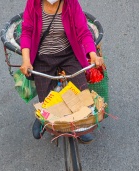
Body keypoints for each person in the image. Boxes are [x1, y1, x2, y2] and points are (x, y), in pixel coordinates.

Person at [20, 0, 104, 143]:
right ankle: (42, 118)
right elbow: (27, 32)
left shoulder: (71, 3)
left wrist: (93, 54)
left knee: (82, 94)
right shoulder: (33, 3)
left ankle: (80, 124)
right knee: (47, 101)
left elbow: (83, 31)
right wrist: (26, 60)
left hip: (68, 54)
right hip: (42, 57)